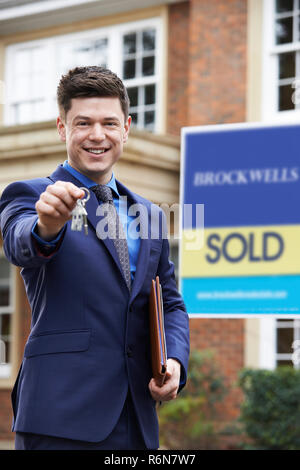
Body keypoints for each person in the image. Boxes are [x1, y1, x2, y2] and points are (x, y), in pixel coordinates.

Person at [0, 66, 190, 450]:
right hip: (60, 417)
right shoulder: (30, 194)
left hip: (136, 420)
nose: (97, 135)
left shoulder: (150, 214)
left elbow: (170, 303)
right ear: (62, 127)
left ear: (127, 128)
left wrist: (174, 361)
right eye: (83, 123)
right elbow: (20, 243)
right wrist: (47, 225)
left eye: (109, 123)